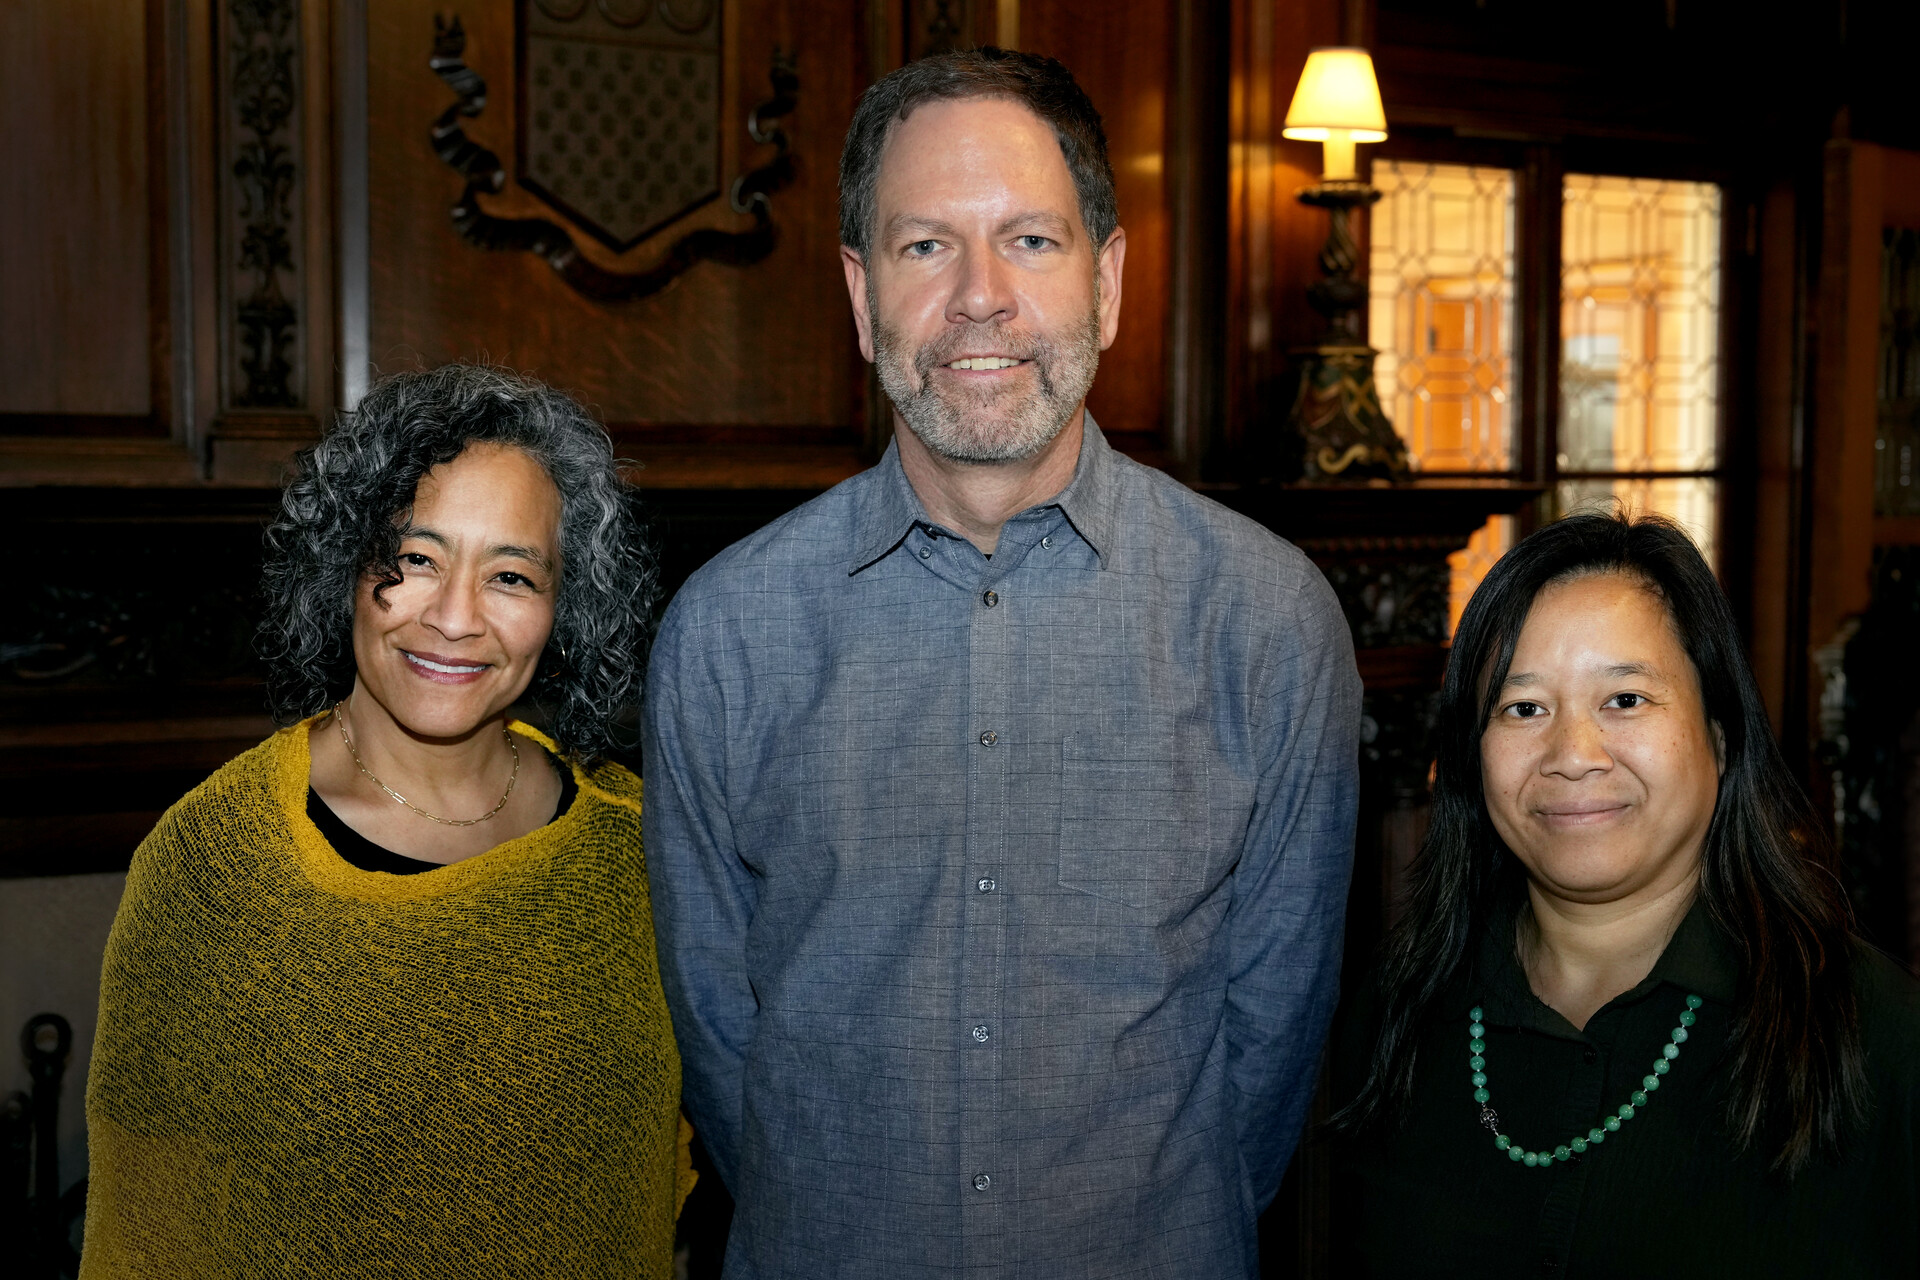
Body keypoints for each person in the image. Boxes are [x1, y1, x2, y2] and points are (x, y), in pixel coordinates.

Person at [644, 47, 1361, 1279]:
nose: (980, 295)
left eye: (1031, 240)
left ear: (1111, 280)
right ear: (864, 298)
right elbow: (719, 1038)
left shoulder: (1269, 622)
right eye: (927, 247)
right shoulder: (723, 634)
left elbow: (1274, 1037)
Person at [82, 365, 691, 1278]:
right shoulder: (211, 865)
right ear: (343, 567)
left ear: (565, 611)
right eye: (413, 560)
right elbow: (150, 1232)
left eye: (512, 575)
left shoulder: (635, 848)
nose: (453, 618)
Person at [1328, 511, 1920, 1277]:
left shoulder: (1875, 1037)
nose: (1573, 755)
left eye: (1627, 700)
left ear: (1721, 731)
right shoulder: (1400, 1011)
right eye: (1524, 708)